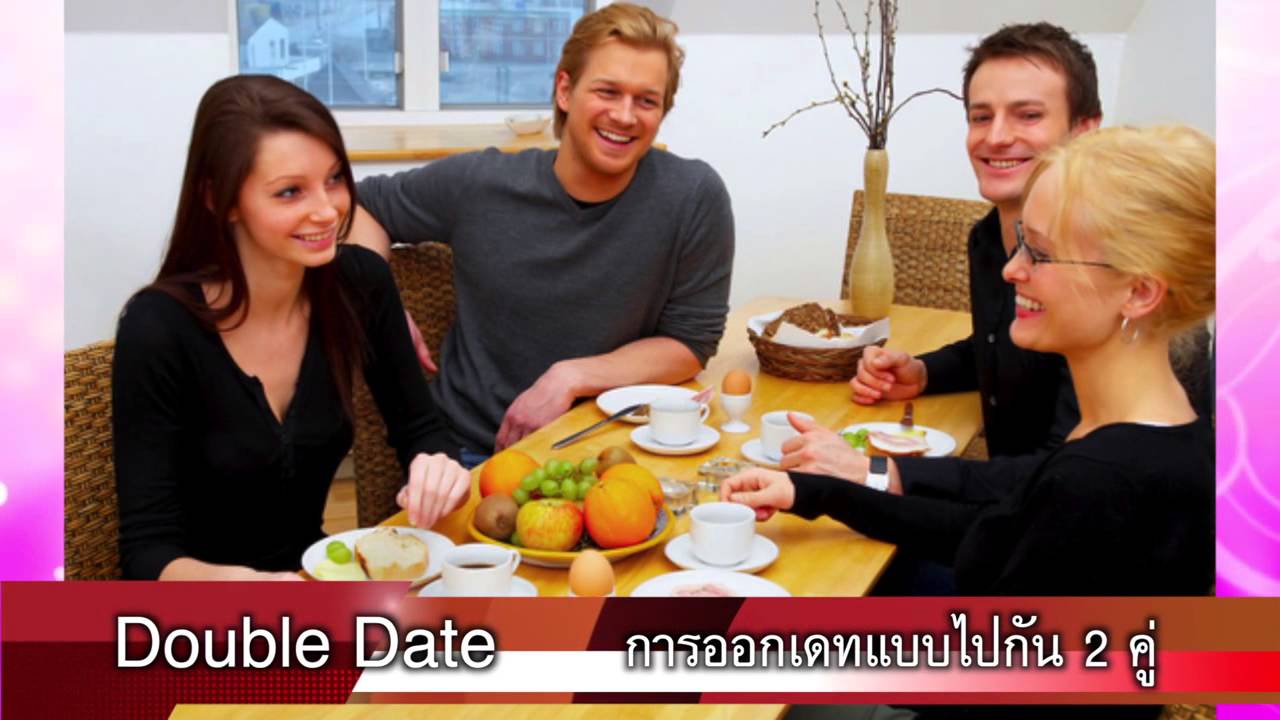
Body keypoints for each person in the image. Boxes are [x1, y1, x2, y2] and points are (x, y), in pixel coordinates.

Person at [722, 125, 1215, 598]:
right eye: (1021, 243)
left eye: (1041, 254)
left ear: (1139, 292)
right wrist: (815, 494)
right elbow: (995, 532)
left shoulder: (1095, 481)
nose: (1012, 269)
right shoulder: (1157, 437)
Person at [113, 75, 471, 581]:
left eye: (334, 179)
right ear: (219, 199)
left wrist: (436, 465)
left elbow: (421, 429)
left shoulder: (360, 284)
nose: (327, 211)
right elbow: (147, 556)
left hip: (314, 583)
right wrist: (257, 588)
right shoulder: (157, 328)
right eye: (289, 192)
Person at [349, 3, 734, 462]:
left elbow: (690, 344)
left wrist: (570, 376)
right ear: (565, 90)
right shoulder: (480, 183)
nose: (625, 115)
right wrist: (382, 302)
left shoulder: (693, 196)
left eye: (646, 101)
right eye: (607, 91)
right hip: (475, 453)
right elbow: (356, 206)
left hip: (618, 450)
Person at [849, 23, 1101, 458]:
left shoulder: (1099, 264)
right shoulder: (986, 237)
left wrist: (881, 476)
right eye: (981, 117)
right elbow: (1001, 349)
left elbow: (1062, 471)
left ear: (1084, 131)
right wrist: (924, 372)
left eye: (1028, 115)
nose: (996, 137)